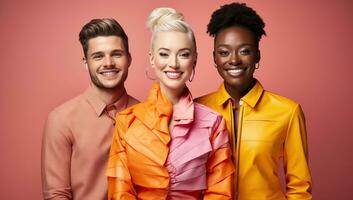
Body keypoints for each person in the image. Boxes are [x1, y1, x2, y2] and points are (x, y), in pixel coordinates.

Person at [106, 7, 234, 200]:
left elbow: (220, 193)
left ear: (194, 60)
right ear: (152, 58)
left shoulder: (214, 123)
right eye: (164, 54)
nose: (173, 63)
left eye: (183, 54)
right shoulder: (127, 121)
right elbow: (120, 191)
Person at [195, 2, 312, 200]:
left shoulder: (288, 111)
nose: (234, 60)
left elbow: (300, 188)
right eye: (224, 52)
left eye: (244, 51)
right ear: (214, 58)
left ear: (257, 55)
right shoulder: (197, 109)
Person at [41, 18, 139, 200]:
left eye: (116, 54)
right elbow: (56, 195)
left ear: (129, 59)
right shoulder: (61, 120)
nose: (108, 63)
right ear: (86, 63)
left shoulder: (148, 116)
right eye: (98, 56)